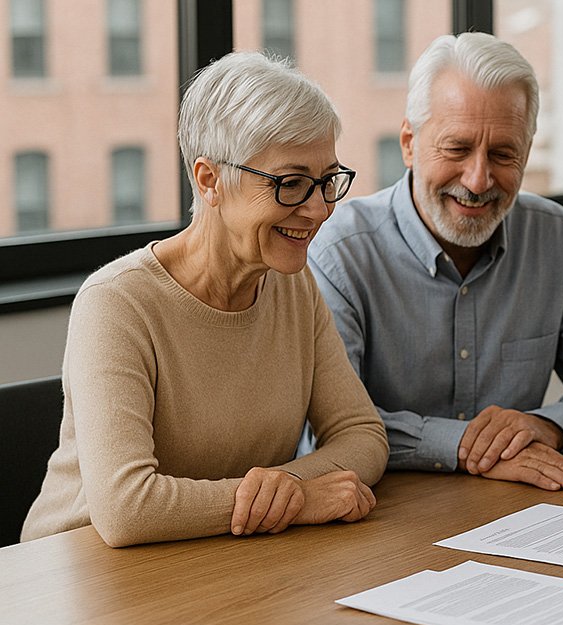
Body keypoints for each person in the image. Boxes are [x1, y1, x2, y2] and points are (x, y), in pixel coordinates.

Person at [21, 52, 389, 548]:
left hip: (217, 558)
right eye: (291, 183)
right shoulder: (116, 305)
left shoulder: (291, 285)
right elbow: (128, 508)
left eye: (327, 181)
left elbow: (363, 434)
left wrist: (289, 487)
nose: (319, 207)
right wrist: (298, 501)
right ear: (209, 179)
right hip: (76, 577)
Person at [305, 32, 563, 492]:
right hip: (388, 518)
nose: (477, 180)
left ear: (527, 154)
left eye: (503, 154)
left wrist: (545, 426)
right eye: (457, 149)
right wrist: (463, 445)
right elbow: (328, 428)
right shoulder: (340, 252)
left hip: (518, 506)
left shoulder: (555, 236)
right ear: (409, 143)